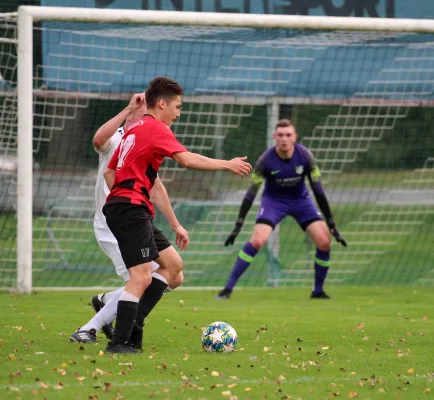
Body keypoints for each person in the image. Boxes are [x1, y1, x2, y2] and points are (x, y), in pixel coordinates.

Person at [102, 77, 252, 353]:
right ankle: (120, 342)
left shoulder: (134, 131)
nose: (179, 113)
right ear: (162, 104)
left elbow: (110, 171)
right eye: (177, 106)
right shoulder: (155, 128)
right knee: (141, 277)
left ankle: (134, 328)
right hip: (130, 209)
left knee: (172, 265)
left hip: (129, 207)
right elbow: (186, 159)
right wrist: (226, 164)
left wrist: (126, 194)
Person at [69, 93, 185, 344]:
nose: (146, 116)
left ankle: (107, 302)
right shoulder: (119, 139)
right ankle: (90, 328)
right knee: (142, 279)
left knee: (173, 275)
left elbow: (156, 187)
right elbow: (98, 140)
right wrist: (128, 108)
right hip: (114, 221)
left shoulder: (145, 139)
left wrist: (175, 223)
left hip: (134, 217)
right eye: (140, 111)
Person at [215, 119, 347, 300]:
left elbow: (318, 191)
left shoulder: (306, 156)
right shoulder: (265, 160)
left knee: (324, 241)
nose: (284, 139)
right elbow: (251, 194)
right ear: (274, 137)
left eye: (288, 135)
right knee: (257, 241)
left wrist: (331, 223)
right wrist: (238, 225)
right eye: (280, 135)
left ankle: (318, 291)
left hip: (301, 201)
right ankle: (227, 289)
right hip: (273, 202)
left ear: (295, 137)